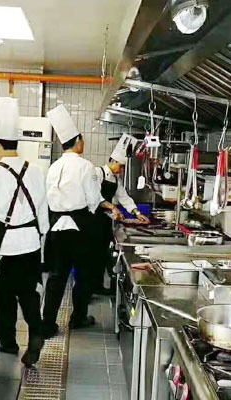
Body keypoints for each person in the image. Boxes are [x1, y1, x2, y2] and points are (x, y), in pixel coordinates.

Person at [0, 97, 48, 368]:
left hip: (5, 246)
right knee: (28, 292)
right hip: (31, 243)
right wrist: (41, 236)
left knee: (3, 296)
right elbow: (43, 211)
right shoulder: (36, 171)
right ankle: (36, 331)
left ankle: (8, 341)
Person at [41, 105, 122, 339]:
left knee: (56, 278)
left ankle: (47, 323)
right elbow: (94, 200)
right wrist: (110, 207)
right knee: (84, 275)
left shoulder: (53, 167)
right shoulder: (85, 166)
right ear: (78, 142)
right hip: (80, 229)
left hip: (56, 228)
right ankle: (78, 318)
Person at [93, 134, 149, 294]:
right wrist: (112, 208)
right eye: (121, 166)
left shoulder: (116, 180)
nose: (122, 170)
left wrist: (136, 212)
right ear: (113, 161)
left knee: (102, 254)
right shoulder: (97, 173)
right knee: (92, 255)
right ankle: (89, 288)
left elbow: (124, 197)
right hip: (92, 220)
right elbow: (94, 197)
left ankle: (98, 286)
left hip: (105, 221)